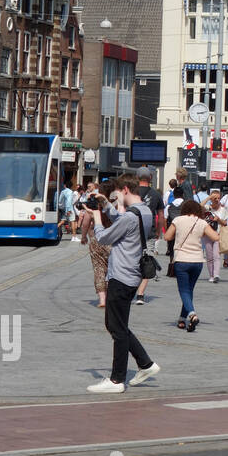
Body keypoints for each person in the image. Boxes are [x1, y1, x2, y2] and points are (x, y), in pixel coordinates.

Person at [80, 175, 160, 394]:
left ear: (125, 190)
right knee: (118, 325)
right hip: (132, 275)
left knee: (116, 328)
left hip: (121, 276)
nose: (115, 198)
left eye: (116, 194)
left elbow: (105, 237)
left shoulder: (130, 217)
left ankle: (117, 380)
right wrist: (105, 205)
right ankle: (146, 364)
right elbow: (121, 220)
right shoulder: (144, 211)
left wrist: (96, 217)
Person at [164, 198, 219, 332]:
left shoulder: (178, 220)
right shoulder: (201, 222)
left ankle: (192, 315)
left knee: (183, 290)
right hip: (197, 261)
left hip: (181, 259)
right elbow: (216, 237)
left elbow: (167, 237)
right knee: (189, 290)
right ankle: (182, 319)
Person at [132, 168, 165, 307]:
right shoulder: (156, 194)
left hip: (133, 232)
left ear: (137, 177)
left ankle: (130, 290)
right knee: (148, 261)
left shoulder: (132, 192)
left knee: (133, 262)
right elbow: (161, 216)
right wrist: (159, 232)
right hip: (149, 232)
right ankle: (140, 294)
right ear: (150, 177)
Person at [84, 179, 114, 309]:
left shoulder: (95, 203)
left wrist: (83, 236)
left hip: (97, 239)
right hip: (113, 240)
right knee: (115, 269)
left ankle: (102, 299)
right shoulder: (116, 204)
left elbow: (86, 221)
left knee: (99, 269)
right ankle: (114, 296)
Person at [203, 190, 224, 283]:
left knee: (216, 255)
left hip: (217, 234)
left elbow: (225, 223)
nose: (217, 200)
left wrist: (218, 220)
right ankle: (211, 275)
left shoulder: (223, 209)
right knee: (209, 255)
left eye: (218, 198)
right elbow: (199, 206)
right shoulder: (207, 208)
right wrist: (208, 198)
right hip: (207, 234)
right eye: (215, 198)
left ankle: (216, 275)